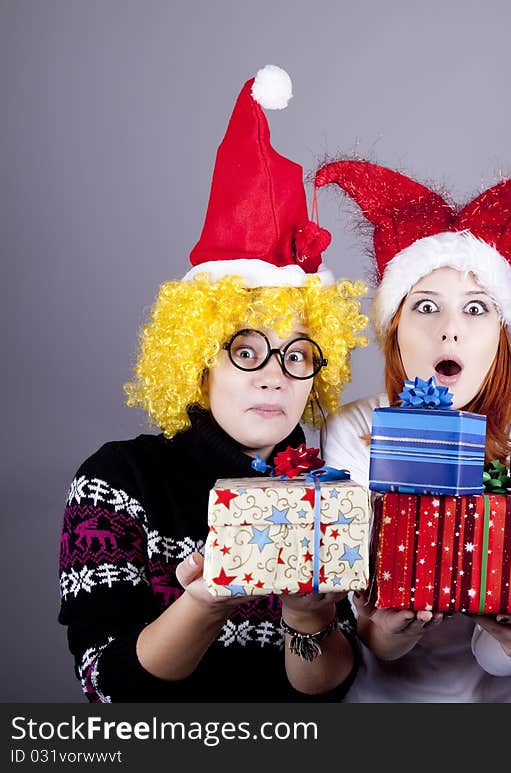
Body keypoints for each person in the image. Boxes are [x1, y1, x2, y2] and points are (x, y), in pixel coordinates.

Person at [59, 65, 369, 702]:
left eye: (299, 355)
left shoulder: (323, 486)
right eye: (248, 350)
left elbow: (329, 693)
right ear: (197, 359)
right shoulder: (119, 479)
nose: (276, 378)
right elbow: (109, 686)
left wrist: (308, 621)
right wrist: (205, 599)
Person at [315, 160, 511, 701]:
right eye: (426, 306)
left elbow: (508, 656)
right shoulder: (355, 429)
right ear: (395, 327)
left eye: (476, 309)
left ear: (501, 337)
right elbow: (369, 634)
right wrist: (389, 629)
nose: (450, 328)